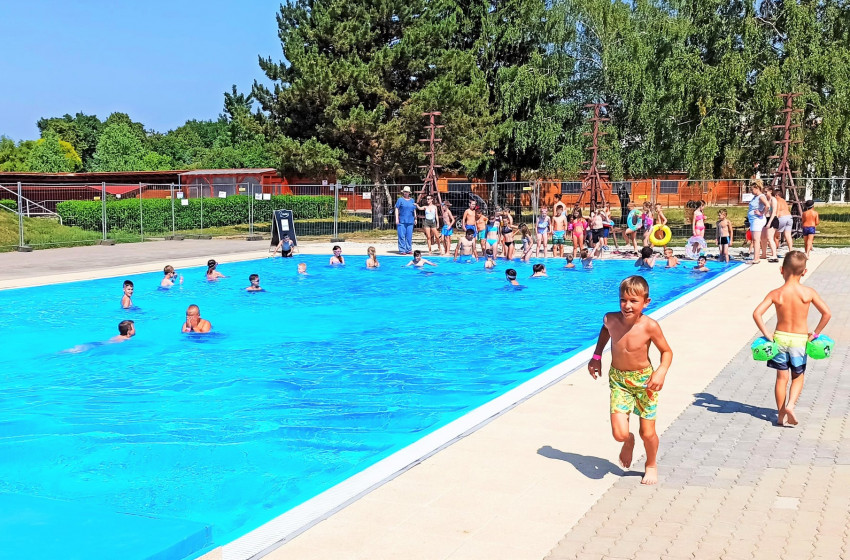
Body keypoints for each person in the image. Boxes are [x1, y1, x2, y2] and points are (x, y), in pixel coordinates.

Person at [587, 275, 673, 485]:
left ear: (646, 302)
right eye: (623, 300)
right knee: (619, 433)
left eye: (634, 301)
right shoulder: (610, 319)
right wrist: (597, 356)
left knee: (648, 432)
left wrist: (661, 371)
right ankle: (628, 441)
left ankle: (651, 464)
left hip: (645, 382)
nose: (627, 305)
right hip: (619, 380)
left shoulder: (649, 326)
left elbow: (667, 352)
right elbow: (605, 331)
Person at [752, 251, 831, 426]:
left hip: (779, 339)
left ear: (781, 270)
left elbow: (757, 313)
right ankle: (790, 405)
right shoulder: (808, 293)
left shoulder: (776, 293)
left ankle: (780, 415)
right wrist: (815, 333)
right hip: (800, 341)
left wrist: (766, 334)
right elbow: (827, 313)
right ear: (804, 271)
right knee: (798, 376)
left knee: (781, 378)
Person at [747, 182, 769, 264]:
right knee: (755, 239)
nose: (751, 191)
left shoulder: (761, 196)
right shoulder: (755, 197)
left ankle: (756, 258)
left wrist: (762, 213)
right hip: (753, 220)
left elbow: (767, 205)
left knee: (756, 240)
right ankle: (756, 257)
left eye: (752, 189)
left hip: (757, 220)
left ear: (757, 188)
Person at [394, 186, 417, 254]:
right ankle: (402, 250)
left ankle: (408, 249)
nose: (406, 193)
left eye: (407, 192)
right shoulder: (400, 200)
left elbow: (414, 209)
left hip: (410, 220)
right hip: (402, 220)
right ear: (403, 192)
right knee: (401, 235)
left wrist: (415, 218)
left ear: (409, 193)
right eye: (405, 192)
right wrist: (397, 218)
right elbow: (396, 209)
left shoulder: (412, 200)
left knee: (409, 236)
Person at [773, 188, 794, 254]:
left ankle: (775, 250)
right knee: (788, 235)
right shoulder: (784, 201)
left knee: (776, 235)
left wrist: (774, 218)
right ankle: (790, 250)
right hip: (789, 217)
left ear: (776, 195)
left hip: (781, 217)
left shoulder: (776, 200)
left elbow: (777, 210)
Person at [761, 187, 779, 262]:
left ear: (770, 191)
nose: (765, 193)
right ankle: (764, 254)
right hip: (765, 219)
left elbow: (774, 212)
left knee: (769, 238)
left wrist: (769, 223)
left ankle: (774, 255)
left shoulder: (773, 200)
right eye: (764, 192)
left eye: (766, 192)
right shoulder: (765, 200)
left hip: (772, 219)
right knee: (763, 238)